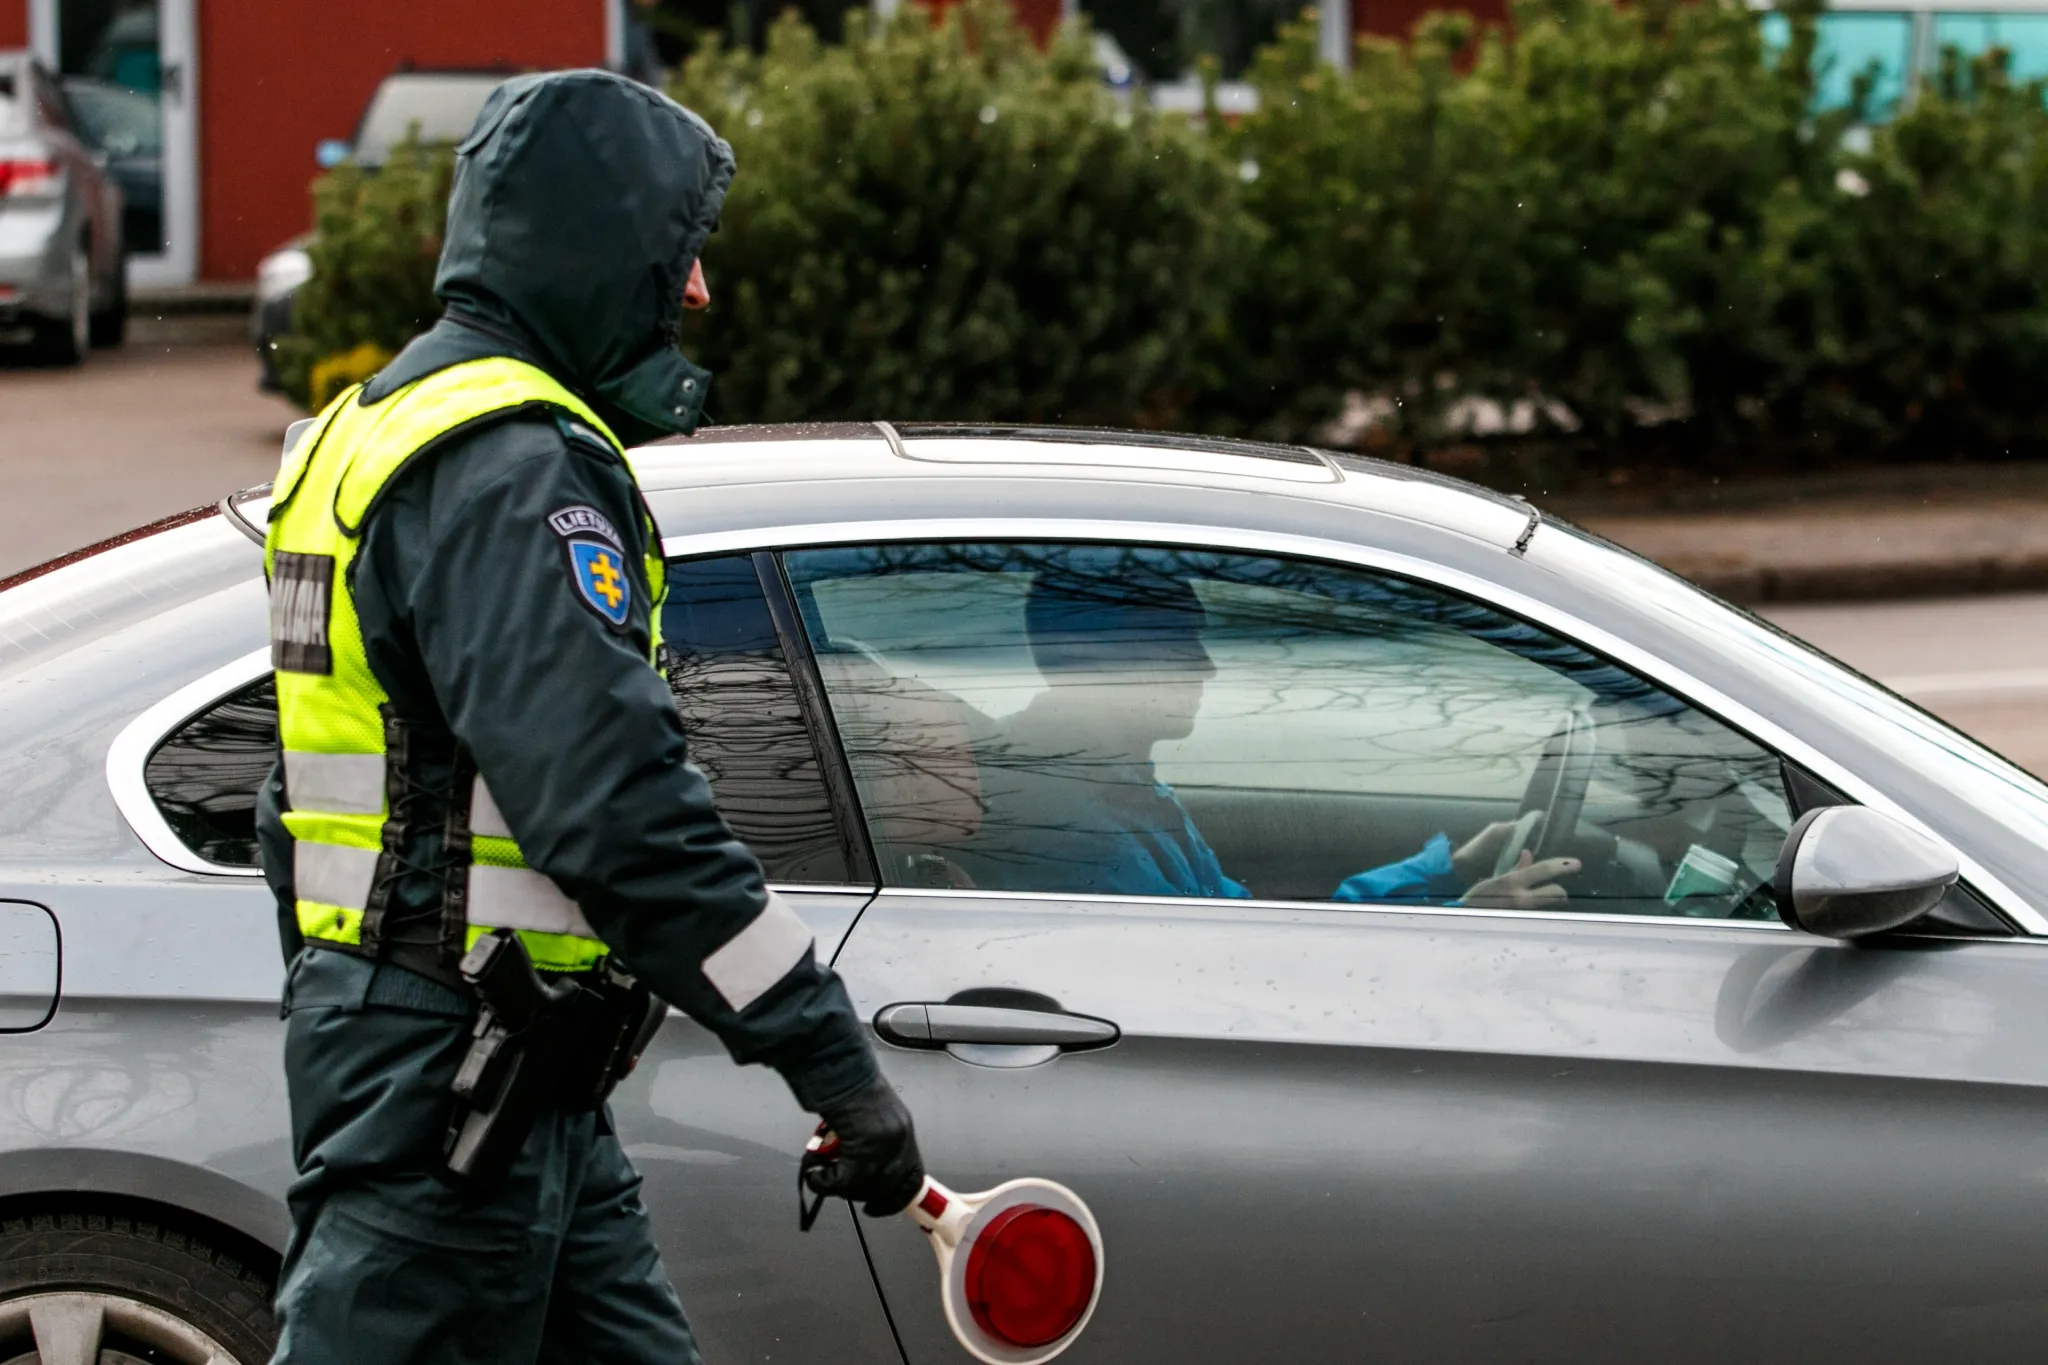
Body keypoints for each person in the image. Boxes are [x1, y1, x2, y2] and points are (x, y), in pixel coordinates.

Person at [257, 71, 918, 1365]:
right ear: (593, 245)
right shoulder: (512, 463)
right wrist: (827, 1057)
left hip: (494, 1076)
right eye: (679, 256)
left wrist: (368, 1002)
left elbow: (298, 816)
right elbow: (620, 810)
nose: (697, 294)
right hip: (459, 1099)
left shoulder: (374, 433)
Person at [971, 563, 1581, 908]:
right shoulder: (1064, 821)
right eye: (1181, 646)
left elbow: (1251, 927)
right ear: (1100, 662)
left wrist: (1447, 871)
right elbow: (1225, 970)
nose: (1206, 667)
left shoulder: (1114, 776)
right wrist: (1466, 918)